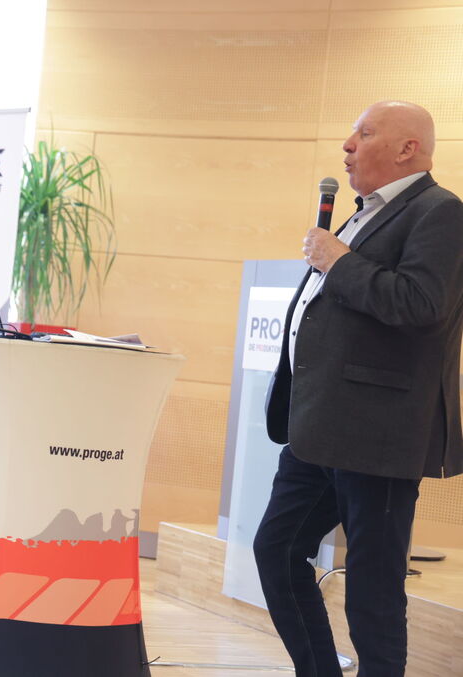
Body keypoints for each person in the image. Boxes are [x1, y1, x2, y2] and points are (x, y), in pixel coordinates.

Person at [253, 100, 463, 677]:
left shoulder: (442, 212)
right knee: (276, 550)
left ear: (407, 149)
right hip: (317, 427)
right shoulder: (361, 213)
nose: (347, 145)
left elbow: (421, 304)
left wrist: (338, 261)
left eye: (364, 134)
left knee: (373, 588)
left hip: (379, 434)